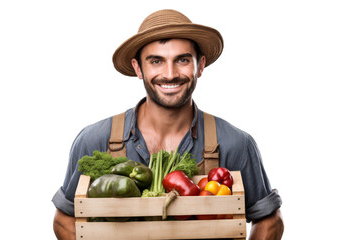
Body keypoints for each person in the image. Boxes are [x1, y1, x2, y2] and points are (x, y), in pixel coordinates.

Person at [52, 9, 284, 240]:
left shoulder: (235, 144)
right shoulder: (95, 140)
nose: (170, 74)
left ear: (200, 65)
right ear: (138, 68)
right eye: (156, 61)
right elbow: (65, 219)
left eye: (182, 60)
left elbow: (269, 221)